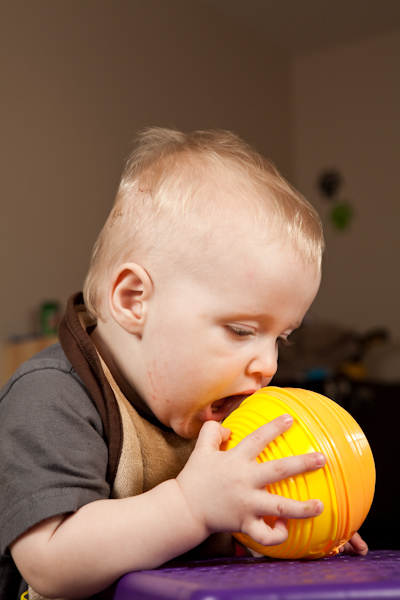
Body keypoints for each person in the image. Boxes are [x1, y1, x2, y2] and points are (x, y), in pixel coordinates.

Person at [0, 128, 367, 600]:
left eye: (282, 338)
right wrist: (192, 507)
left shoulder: (211, 407)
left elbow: (220, 553)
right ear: (135, 301)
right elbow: (50, 563)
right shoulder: (53, 398)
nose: (268, 364)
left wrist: (295, 522)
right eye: (241, 330)